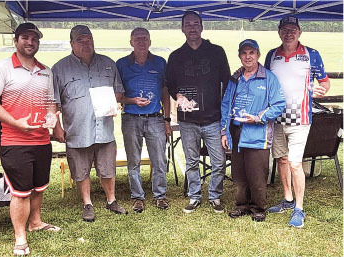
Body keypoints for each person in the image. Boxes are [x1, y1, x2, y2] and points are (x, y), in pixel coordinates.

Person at [0, 23, 61, 256]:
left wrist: (52, 119)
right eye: (25, 38)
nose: (30, 42)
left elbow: (51, 102)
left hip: (41, 139)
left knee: (39, 186)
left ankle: (35, 222)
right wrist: (15, 123)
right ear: (15, 41)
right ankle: (20, 237)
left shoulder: (46, 70)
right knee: (20, 191)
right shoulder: (2, 68)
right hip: (14, 140)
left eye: (34, 39)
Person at [52, 25, 127, 222]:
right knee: (80, 168)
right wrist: (57, 127)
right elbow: (54, 101)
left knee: (107, 166)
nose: (86, 44)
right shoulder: (60, 68)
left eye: (89, 40)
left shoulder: (108, 64)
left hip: (104, 129)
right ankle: (87, 203)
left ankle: (111, 200)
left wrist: (112, 101)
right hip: (77, 129)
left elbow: (119, 92)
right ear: (71, 44)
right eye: (80, 41)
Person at [264, 16, 330, 228]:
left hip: (300, 118)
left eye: (293, 29)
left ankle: (299, 208)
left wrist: (320, 91)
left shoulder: (311, 54)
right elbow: (264, 79)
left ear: (299, 32)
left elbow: (325, 82)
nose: (289, 33)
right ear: (279, 32)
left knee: (294, 163)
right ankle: (287, 199)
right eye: (285, 29)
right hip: (276, 119)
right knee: (282, 160)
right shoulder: (272, 55)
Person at [165, 11, 231, 213]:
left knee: (219, 161)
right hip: (188, 120)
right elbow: (170, 84)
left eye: (196, 24)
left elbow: (227, 82)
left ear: (202, 27)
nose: (192, 27)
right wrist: (179, 97)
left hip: (213, 119)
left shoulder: (216, 52)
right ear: (182, 28)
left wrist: (225, 114)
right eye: (188, 24)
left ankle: (215, 196)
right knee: (192, 161)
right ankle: (194, 196)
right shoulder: (176, 56)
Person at [221, 39, 286, 222]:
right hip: (236, 132)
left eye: (251, 53)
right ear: (240, 56)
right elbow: (226, 105)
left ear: (258, 55)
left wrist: (259, 117)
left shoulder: (269, 78)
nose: (248, 56)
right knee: (239, 173)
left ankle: (258, 207)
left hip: (258, 133)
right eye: (244, 53)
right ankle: (241, 205)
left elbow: (279, 104)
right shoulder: (235, 78)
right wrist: (223, 131)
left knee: (257, 173)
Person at [116, 28, 171, 213]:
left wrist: (167, 119)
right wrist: (132, 101)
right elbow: (118, 96)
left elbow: (165, 92)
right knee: (134, 160)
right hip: (131, 118)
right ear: (131, 42)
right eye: (137, 39)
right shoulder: (122, 64)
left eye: (145, 38)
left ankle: (160, 195)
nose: (141, 42)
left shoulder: (160, 62)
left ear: (150, 41)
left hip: (155, 117)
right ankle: (137, 197)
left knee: (159, 159)